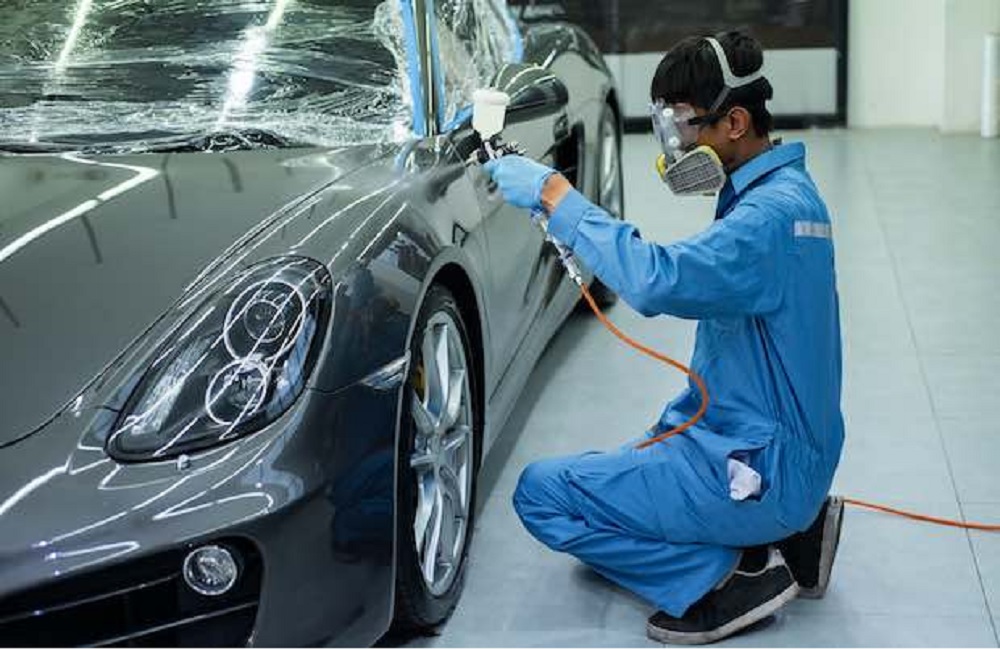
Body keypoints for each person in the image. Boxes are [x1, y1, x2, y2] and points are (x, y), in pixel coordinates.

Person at [482, 31, 846, 645]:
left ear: (735, 122)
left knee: (543, 494)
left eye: (683, 124)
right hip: (782, 451)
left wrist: (553, 195)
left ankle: (727, 579)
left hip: (758, 470)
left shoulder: (765, 220)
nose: (675, 145)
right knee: (623, 465)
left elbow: (655, 281)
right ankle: (794, 534)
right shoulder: (788, 196)